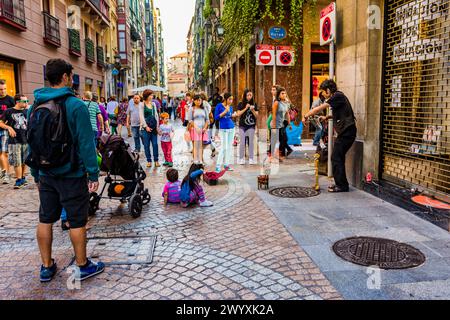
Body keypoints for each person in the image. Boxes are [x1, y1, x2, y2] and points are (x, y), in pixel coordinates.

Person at [28, 59, 104, 282]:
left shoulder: (35, 104)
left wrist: (35, 174)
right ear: (64, 77)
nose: (72, 80)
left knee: (45, 218)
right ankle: (82, 265)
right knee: (77, 220)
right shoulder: (75, 105)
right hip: (71, 173)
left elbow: (33, 142)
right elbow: (86, 143)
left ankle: (46, 266)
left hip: (45, 174)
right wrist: (93, 173)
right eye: (71, 76)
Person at [303, 79, 357, 193]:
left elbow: (320, 108)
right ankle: (342, 184)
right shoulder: (338, 97)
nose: (322, 94)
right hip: (346, 132)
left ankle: (342, 186)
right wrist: (327, 118)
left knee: (336, 157)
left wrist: (306, 115)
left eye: (323, 91)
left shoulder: (337, 96)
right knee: (338, 157)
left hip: (347, 132)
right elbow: (341, 114)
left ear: (328, 90)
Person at [0, 94, 29, 189]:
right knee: (17, 161)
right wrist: (8, 128)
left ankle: (23, 178)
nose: (26, 103)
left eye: (26, 101)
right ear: (17, 102)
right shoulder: (8, 111)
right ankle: (18, 180)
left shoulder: (27, 111)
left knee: (24, 161)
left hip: (26, 139)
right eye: (24, 101)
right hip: (14, 141)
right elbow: (1, 123)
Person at [214, 93, 236, 173]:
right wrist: (225, 111)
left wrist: (233, 115)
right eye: (229, 99)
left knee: (229, 147)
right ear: (225, 99)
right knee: (224, 147)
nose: (231, 101)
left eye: (232, 99)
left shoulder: (231, 107)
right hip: (223, 129)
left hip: (231, 128)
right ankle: (218, 166)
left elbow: (229, 117)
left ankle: (226, 165)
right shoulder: (219, 106)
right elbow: (216, 117)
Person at [236, 89, 258, 165]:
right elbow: (238, 114)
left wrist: (253, 110)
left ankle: (251, 158)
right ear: (245, 96)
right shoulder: (240, 104)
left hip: (251, 125)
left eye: (250, 95)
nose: (249, 97)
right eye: (248, 95)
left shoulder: (254, 104)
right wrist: (245, 108)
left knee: (251, 142)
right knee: (242, 142)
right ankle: (241, 158)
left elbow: (257, 116)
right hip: (242, 125)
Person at [270, 87, 291, 162]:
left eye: (285, 93)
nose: (284, 95)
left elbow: (287, 113)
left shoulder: (286, 103)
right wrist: (274, 126)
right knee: (274, 141)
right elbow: (274, 114)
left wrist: (289, 123)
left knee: (284, 139)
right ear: (278, 95)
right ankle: (272, 156)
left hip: (281, 124)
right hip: (275, 124)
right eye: (282, 93)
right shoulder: (276, 103)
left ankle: (278, 154)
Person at [140, 89, 160, 168]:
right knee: (146, 145)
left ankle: (156, 160)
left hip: (153, 127)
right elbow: (141, 116)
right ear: (147, 96)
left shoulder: (153, 104)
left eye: (152, 95)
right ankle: (149, 160)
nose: (152, 96)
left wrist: (157, 126)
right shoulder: (142, 104)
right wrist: (146, 127)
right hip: (145, 128)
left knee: (155, 144)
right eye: (151, 95)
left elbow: (156, 115)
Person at [187, 95, 210, 164]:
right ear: (194, 101)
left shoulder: (204, 109)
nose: (198, 101)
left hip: (203, 129)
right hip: (194, 129)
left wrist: (205, 128)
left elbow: (207, 120)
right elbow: (190, 120)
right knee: (195, 145)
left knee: (201, 146)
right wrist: (196, 127)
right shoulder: (192, 109)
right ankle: (195, 161)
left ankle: (201, 160)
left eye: (200, 100)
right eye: (197, 100)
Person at [0, 79, 15, 184]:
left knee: (4, 152)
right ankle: (4, 171)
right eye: (1, 89)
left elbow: (15, 113)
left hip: (5, 128)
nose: (3, 91)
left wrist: (11, 127)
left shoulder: (10, 99)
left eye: (4, 89)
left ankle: (6, 174)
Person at [200, 92, 216, 158]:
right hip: (206, 122)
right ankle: (213, 149)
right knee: (206, 137)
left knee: (204, 138)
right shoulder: (207, 103)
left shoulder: (203, 103)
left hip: (204, 122)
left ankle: (201, 155)